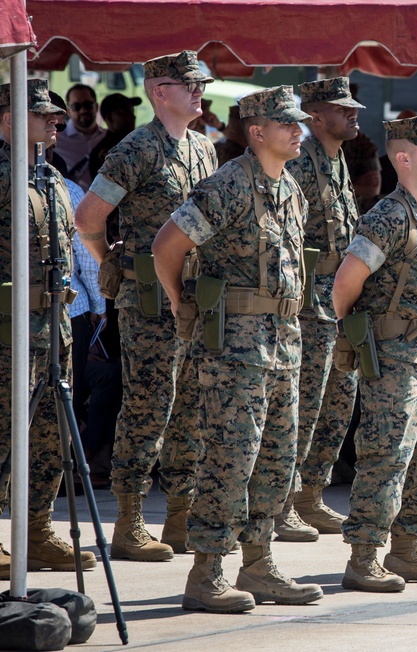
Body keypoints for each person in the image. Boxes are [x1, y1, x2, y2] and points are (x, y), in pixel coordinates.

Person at [153, 85, 322, 613]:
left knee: (276, 459)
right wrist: (185, 306)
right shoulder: (227, 185)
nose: (299, 131)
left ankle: (259, 563)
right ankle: (207, 573)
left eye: (300, 123)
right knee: (230, 459)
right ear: (257, 132)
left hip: (284, 343)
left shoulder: (291, 188)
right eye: (287, 124)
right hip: (236, 349)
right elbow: (167, 246)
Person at [75, 50, 218, 561]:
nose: (200, 91)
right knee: (148, 405)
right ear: (160, 91)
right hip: (150, 302)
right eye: (189, 84)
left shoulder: (203, 149)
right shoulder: (137, 148)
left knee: (190, 408)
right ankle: (130, 521)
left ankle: (179, 517)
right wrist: (109, 260)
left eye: (201, 83)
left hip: (194, 300)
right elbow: (89, 215)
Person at [333, 113, 417, 591]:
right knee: (386, 455)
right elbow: (346, 283)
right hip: (392, 355)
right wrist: (360, 334)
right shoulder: (388, 214)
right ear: (404, 159)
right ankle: (364, 555)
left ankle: (407, 549)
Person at [0, 79, 98, 579]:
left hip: (53, 324)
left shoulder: (51, 178)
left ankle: (36, 530)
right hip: (7, 328)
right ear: (11, 119)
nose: (56, 122)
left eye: (57, 116)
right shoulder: (3, 175)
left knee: (48, 437)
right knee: (2, 431)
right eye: (45, 116)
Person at [280, 77, 365, 541]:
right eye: (342, 108)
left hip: (339, 301)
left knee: (337, 404)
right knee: (304, 406)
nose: (353, 114)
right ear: (315, 117)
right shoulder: (300, 161)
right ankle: (283, 502)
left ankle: (311, 495)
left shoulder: (337, 162)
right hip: (309, 302)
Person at [57, 83, 106, 190]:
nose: (83, 110)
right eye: (76, 106)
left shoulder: (108, 138)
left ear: (96, 107)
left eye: (88, 105)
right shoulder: (56, 139)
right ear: (68, 111)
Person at [87, 93, 141, 184]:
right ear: (109, 118)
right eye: (125, 113)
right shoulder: (105, 152)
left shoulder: (137, 142)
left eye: (132, 111)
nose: (132, 116)